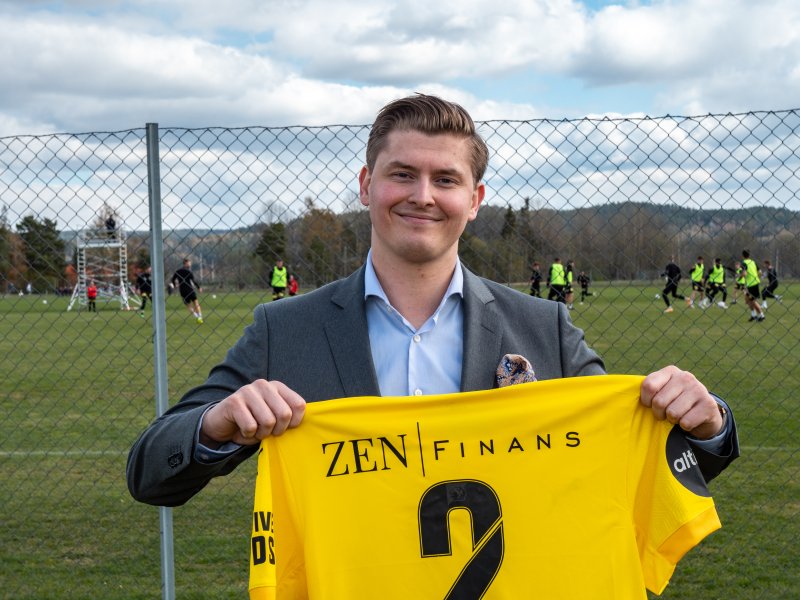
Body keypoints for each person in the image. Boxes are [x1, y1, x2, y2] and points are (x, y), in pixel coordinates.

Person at [127, 94, 737, 534]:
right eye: (402, 175)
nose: (422, 196)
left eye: (445, 179)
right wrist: (215, 426)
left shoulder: (543, 328)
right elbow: (150, 471)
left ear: (473, 201)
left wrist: (706, 424)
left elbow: (630, 458)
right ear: (366, 185)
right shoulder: (284, 329)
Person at [170, 258, 203, 324]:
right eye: (189, 263)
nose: (190, 264)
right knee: (196, 302)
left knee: (188, 305)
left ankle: (196, 316)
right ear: (185, 263)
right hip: (190, 289)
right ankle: (200, 316)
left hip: (182, 290)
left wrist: (175, 285)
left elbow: (173, 279)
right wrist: (199, 287)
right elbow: (193, 281)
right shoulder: (189, 271)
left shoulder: (178, 271)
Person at [741, 250, 765, 322]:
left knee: (752, 300)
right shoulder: (753, 262)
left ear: (742, 256)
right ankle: (753, 315)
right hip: (754, 283)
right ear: (749, 255)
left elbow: (744, 274)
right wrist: (756, 277)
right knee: (747, 299)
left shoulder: (743, 263)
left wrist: (740, 275)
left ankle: (761, 315)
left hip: (751, 284)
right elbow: (760, 272)